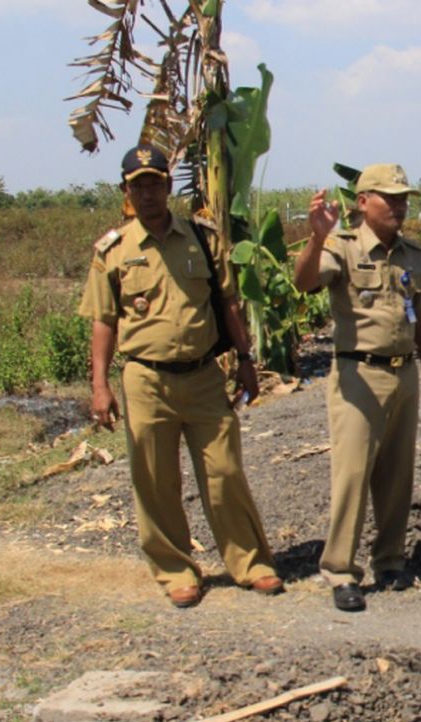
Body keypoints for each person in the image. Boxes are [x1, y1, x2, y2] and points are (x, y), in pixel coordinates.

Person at [78, 143, 282, 608]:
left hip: (204, 376)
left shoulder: (203, 239)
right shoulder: (113, 251)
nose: (148, 192)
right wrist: (100, 386)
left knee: (225, 472)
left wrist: (247, 361)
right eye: (138, 185)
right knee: (155, 480)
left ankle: (250, 563)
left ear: (168, 186)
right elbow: (102, 321)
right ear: (126, 191)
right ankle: (175, 571)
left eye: (155, 182)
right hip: (145, 380)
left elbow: (228, 302)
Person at [293, 164, 421, 612]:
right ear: (363, 202)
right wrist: (316, 237)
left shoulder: (412, 254)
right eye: (389, 197)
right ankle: (341, 571)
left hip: (405, 374)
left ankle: (390, 560)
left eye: (403, 197)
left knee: (397, 476)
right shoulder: (342, 247)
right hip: (359, 377)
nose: (399, 205)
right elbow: (304, 283)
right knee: (353, 474)